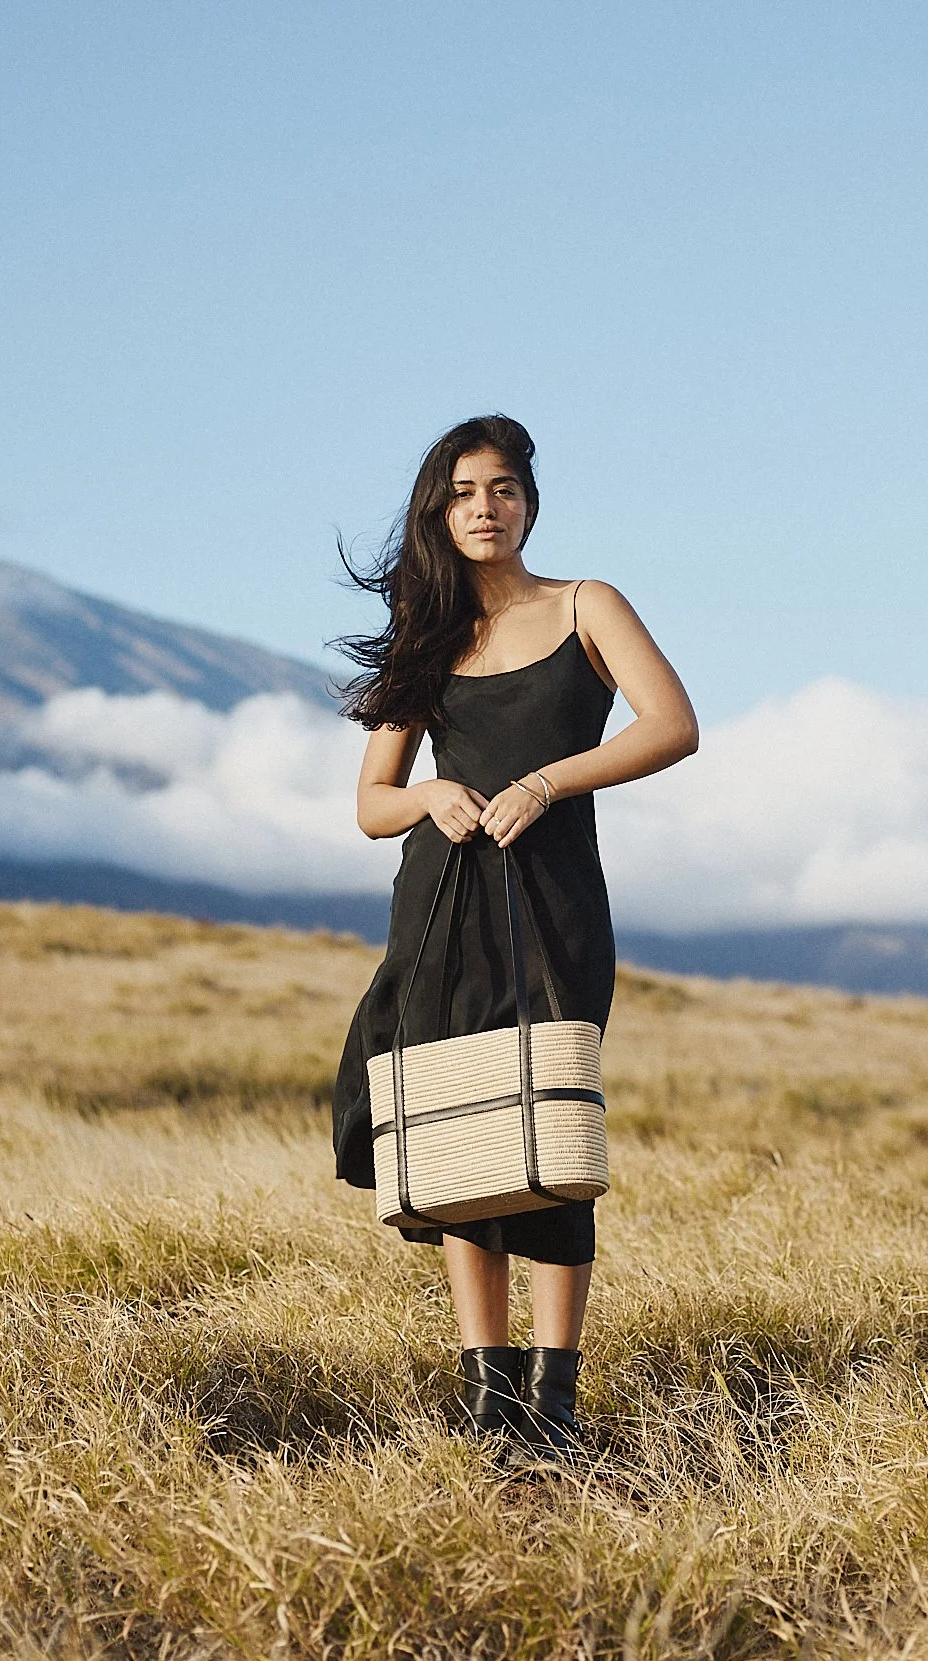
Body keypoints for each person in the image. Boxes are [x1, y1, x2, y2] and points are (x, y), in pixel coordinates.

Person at [330, 415, 698, 1456]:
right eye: (461, 493)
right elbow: (371, 803)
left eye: (501, 489)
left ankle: (558, 1401)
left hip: (555, 900)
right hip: (443, 904)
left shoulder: (589, 605)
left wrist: (546, 780)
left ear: (530, 501)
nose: (483, 508)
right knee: (461, 1131)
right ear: (436, 510)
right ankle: (490, 1396)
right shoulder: (428, 629)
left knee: (555, 1124)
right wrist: (435, 793)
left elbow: (672, 724)